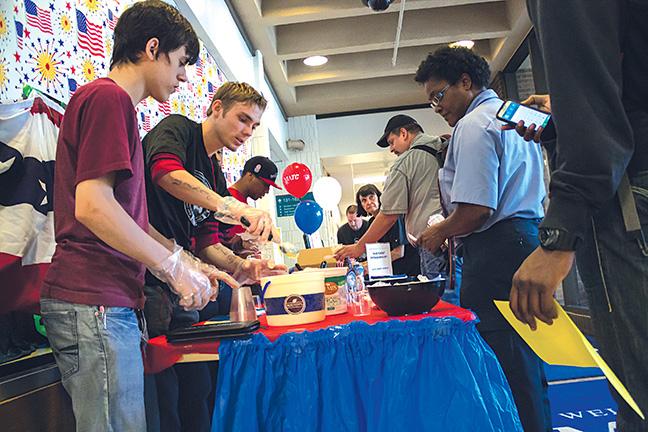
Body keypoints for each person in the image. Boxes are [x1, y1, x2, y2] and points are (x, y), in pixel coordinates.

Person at [39, 2, 236, 430]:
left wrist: (187, 264)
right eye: (181, 62)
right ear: (152, 48)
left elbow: (130, 220)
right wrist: (169, 265)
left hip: (108, 302)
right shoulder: (108, 98)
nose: (184, 76)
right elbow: (92, 206)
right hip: (93, 299)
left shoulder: (117, 106)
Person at [509, 2, 648, 429]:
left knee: (638, 396)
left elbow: (599, 124)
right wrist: (568, 113)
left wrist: (557, 236)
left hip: (629, 197)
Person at [413, 46, 551, 431]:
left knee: (505, 368)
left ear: (466, 82)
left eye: (439, 95)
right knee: (527, 363)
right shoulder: (513, 116)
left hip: (495, 253)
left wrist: (438, 231)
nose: (437, 107)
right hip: (526, 241)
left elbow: (477, 210)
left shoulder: (473, 125)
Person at [143, 81, 287, 431]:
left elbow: (207, 243)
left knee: (198, 387)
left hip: (185, 289)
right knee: (165, 396)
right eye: (242, 119)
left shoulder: (213, 172)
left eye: (253, 126)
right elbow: (164, 174)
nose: (247, 131)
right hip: (147, 281)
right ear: (217, 107)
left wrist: (246, 266)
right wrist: (230, 205)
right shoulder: (179, 129)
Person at [335, 114, 446, 286]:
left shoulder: (406, 162)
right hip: (458, 242)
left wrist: (359, 248)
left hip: (433, 245)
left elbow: (389, 215)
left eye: (392, 142)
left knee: (442, 304)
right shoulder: (443, 147)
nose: (391, 149)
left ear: (404, 133)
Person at [338, 184, 420, 276]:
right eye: (364, 200)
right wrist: (362, 264)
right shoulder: (371, 222)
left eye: (371, 197)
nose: (368, 202)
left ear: (379, 198)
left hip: (409, 270)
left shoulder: (392, 216)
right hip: (391, 271)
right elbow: (376, 251)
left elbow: (398, 253)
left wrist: (371, 264)